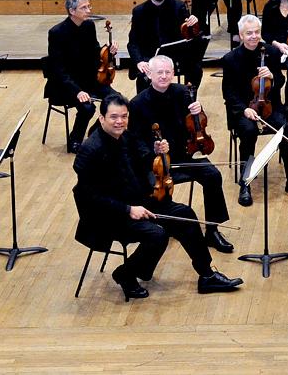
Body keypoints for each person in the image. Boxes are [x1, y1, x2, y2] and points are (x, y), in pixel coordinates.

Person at [72, 93, 243, 300]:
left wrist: (156, 152)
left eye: (124, 116)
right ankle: (125, 274)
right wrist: (128, 210)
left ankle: (206, 274)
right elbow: (90, 197)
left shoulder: (126, 136)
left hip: (139, 200)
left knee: (185, 215)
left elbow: (144, 161)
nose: (120, 121)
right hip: (110, 215)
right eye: (114, 117)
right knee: (157, 235)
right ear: (102, 119)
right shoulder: (90, 150)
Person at [127, 56, 234, 253]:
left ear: (173, 74)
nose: (164, 76)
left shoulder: (183, 92)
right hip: (154, 165)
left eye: (168, 72)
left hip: (182, 157)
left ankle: (212, 230)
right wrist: (154, 150)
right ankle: (165, 226)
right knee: (153, 187)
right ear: (149, 74)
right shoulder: (137, 104)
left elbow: (195, 125)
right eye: (159, 72)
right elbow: (134, 141)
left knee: (212, 175)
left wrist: (198, 111)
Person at [222, 15, 288, 207]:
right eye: (249, 33)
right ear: (240, 35)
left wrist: (273, 75)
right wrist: (244, 109)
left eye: (256, 32)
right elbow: (228, 93)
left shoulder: (270, 52)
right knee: (248, 131)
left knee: (285, 131)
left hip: (269, 105)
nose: (254, 36)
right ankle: (245, 183)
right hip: (244, 110)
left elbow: (280, 82)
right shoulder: (230, 59)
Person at [45, 0, 117, 153]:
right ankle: (75, 140)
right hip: (66, 85)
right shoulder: (56, 33)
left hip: (89, 79)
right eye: (84, 7)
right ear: (72, 11)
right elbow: (58, 70)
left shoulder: (88, 26)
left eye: (88, 6)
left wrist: (109, 52)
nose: (88, 10)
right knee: (87, 107)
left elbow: (95, 53)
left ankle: (95, 133)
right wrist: (77, 91)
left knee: (117, 100)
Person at [127, 0, 202, 93]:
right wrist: (139, 61)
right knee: (143, 77)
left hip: (174, 56)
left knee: (196, 70)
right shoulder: (139, 11)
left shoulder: (178, 7)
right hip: (150, 57)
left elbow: (190, 36)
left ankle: (188, 101)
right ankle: (146, 109)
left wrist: (194, 24)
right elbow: (132, 43)